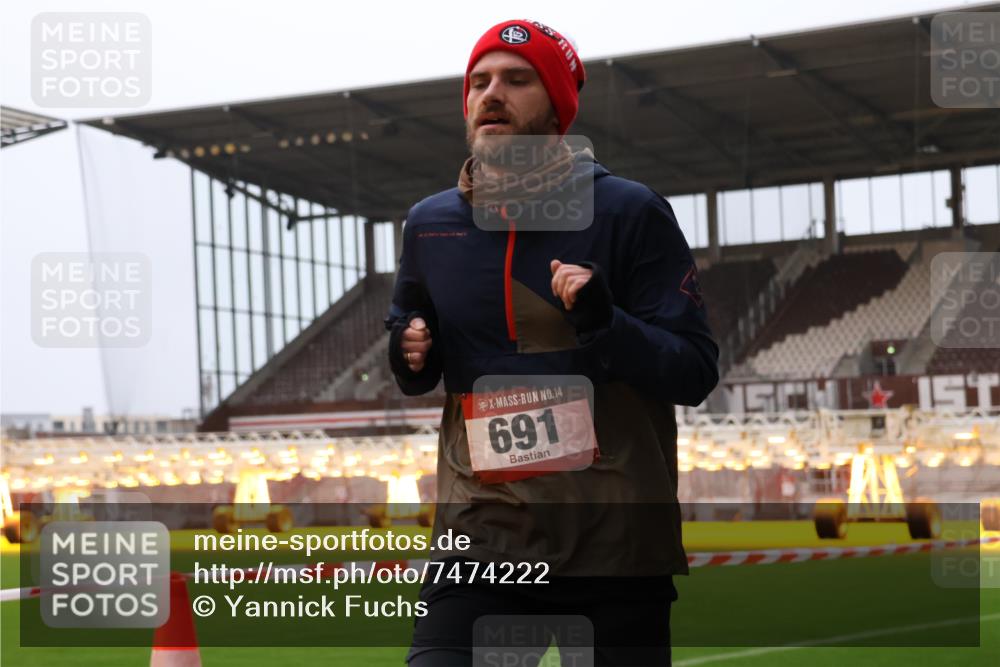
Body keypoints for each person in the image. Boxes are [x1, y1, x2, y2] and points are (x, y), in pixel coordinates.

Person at [384, 19, 719, 666]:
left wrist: (603, 320)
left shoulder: (628, 211)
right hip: (482, 538)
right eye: (478, 81)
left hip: (615, 548)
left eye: (516, 79)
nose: (491, 94)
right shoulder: (430, 225)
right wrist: (409, 348)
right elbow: (413, 354)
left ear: (560, 105)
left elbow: (695, 370)